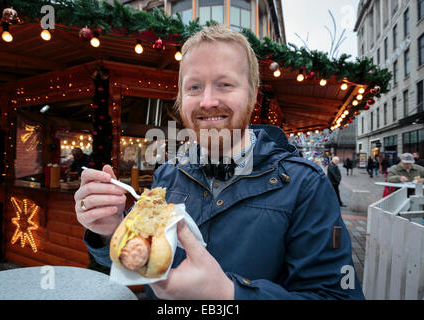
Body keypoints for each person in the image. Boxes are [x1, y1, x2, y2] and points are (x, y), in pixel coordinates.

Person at [74, 25, 364, 300]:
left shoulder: (306, 186)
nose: (208, 101)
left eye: (225, 84)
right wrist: (109, 229)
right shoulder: (166, 176)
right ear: (180, 98)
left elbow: (336, 293)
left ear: (252, 94)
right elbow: (141, 263)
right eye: (194, 87)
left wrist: (229, 294)